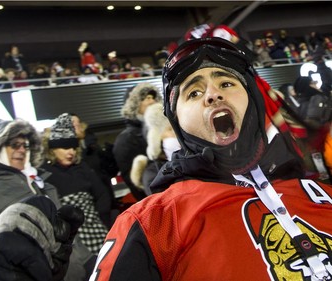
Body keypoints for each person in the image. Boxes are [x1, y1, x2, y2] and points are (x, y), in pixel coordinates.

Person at [89, 37, 332, 280]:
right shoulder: (153, 222)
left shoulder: (317, 191)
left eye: (226, 83)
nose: (213, 95)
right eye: (194, 92)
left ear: (253, 100)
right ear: (177, 122)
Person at [0, 118, 94, 281]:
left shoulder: (42, 186)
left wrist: (93, 265)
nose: (22, 150)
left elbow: (70, 240)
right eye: (14, 144)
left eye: (25, 145)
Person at [41, 113, 112, 255]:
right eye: (65, 148)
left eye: (73, 148)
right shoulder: (44, 175)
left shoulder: (82, 168)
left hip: (97, 231)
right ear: (53, 149)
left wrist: (98, 219)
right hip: (69, 239)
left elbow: (102, 195)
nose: (71, 152)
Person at [112, 82, 162, 200]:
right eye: (146, 98)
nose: (152, 101)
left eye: (153, 97)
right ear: (134, 105)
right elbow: (137, 184)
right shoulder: (125, 140)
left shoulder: (164, 128)